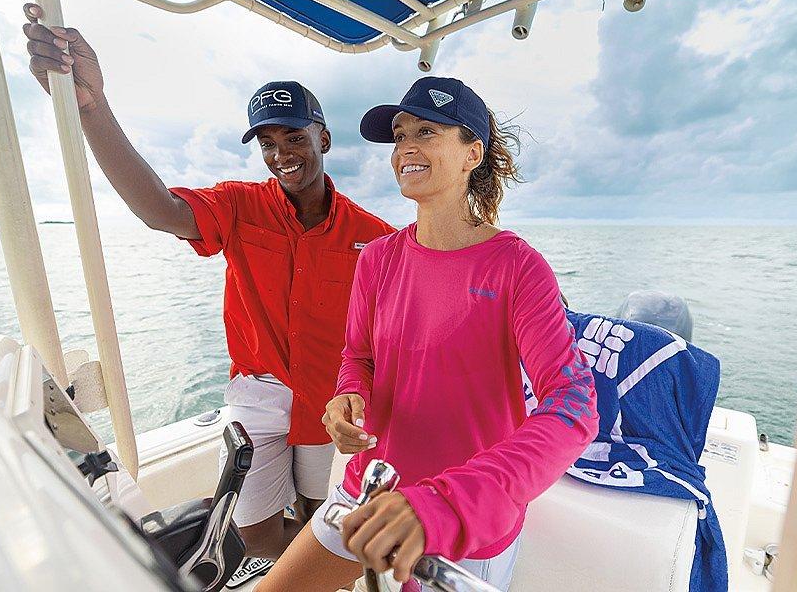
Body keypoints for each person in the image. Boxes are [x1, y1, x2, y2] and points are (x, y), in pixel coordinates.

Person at [21, 4, 395, 562]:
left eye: (293, 138)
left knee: (321, 519)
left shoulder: (376, 236)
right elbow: (157, 209)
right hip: (260, 394)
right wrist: (91, 107)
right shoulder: (239, 206)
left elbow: (405, 316)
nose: (280, 155)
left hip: (331, 401)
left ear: (324, 138)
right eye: (266, 143)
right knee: (257, 533)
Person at [255, 77, 599, 592]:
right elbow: (359, 356)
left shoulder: (517, 267)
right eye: (398, 135)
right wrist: (348, 396)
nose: (405, 148)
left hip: (463, 525)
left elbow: (574, 403)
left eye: (427, 131)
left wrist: (449, 503)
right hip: (368, 492)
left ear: (472, 153)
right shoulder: (377, 257)